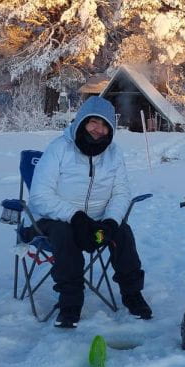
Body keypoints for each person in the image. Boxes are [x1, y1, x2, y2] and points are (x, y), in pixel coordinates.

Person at [28, 96, 152, 328]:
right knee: (65, 235)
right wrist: (76, 217)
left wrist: (111, 223)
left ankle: (133, 295)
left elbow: (121, 193)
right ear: (81, 121)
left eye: (105, 125)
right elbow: (40, 196)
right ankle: (70, 304)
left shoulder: (114, 154)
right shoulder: (59, 149)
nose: (99, 129)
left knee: (123, 233)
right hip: (53, 219)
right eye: (93, 122)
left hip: (97, 223)